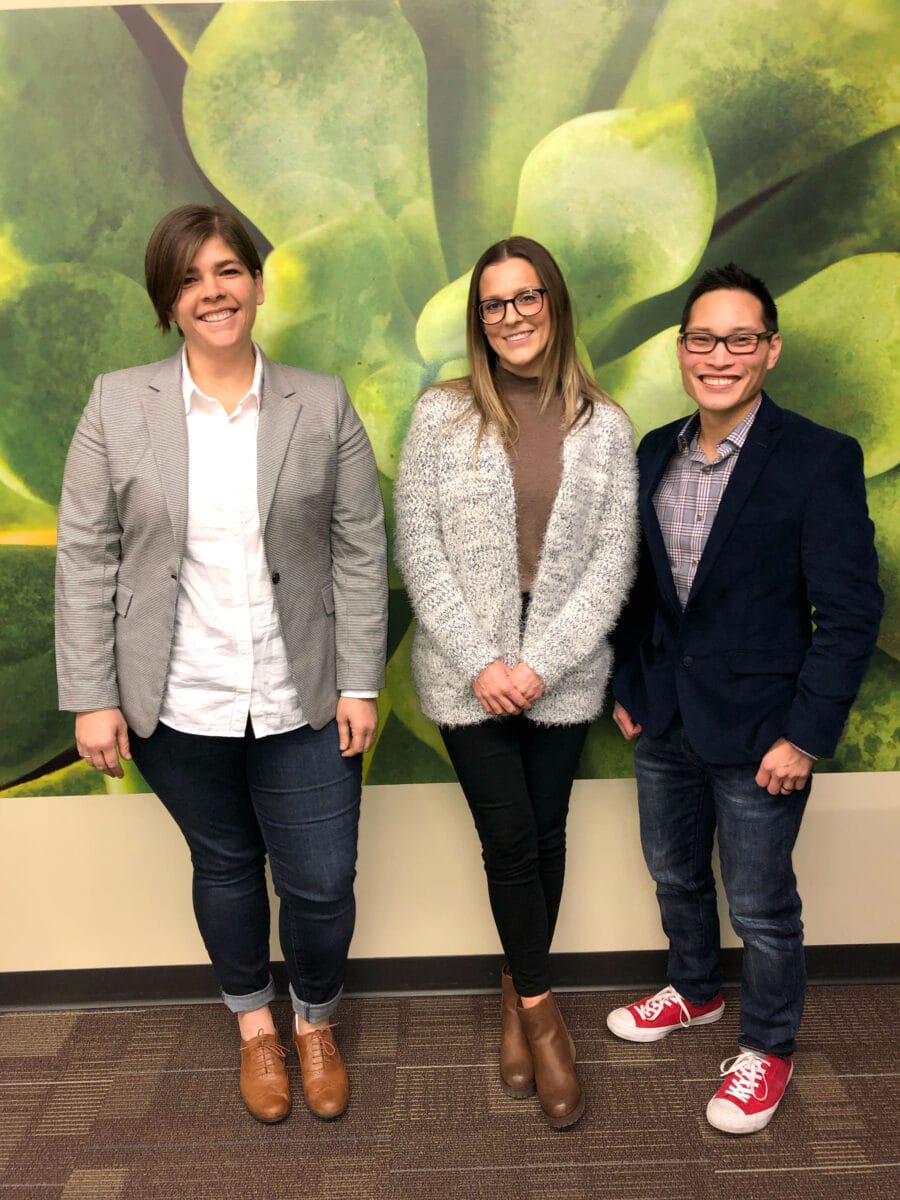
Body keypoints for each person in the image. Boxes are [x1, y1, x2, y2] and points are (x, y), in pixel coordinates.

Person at [55, 204, 388, 1125]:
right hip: (176, 700)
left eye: (229, 270)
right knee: (228, 866)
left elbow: (360, 548)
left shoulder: (320, 402)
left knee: (321, 881)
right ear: (169, 301)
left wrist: (361, 680)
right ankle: (255, 1028)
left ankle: (314, 1021)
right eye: (191, 277)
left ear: (257, 283)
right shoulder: (117, 403)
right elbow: (85, 554)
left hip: (301, 696)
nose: (214, 291)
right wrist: (91, 696)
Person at [607, 263, 882, 1134]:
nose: (718, 356)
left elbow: (849, 613)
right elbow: (636, 589)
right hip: (665, 720)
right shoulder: (654, 451)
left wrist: (806, 736)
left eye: (739, 339)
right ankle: (694, 990)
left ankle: (768, 1046)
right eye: (702, 338)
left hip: (766, 733)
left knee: (761, 907)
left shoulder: (819, 458)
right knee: (675, 873)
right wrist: (627, 684)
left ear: (770, 350)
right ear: (680, 348)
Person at [394, 236, 637, 1128]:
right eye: (494, 304)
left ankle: (512, 992)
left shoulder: (605, 425)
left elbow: (613, 561)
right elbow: (418, 547)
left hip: (561, 668)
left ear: (554, 303)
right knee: (508, 840)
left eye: (526, 296)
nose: (512, 316)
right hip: (467, 671)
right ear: (480, 320)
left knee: (545, 833)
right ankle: (543, 1018)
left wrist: (539, 664)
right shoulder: (441, 414)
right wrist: (483, 662)